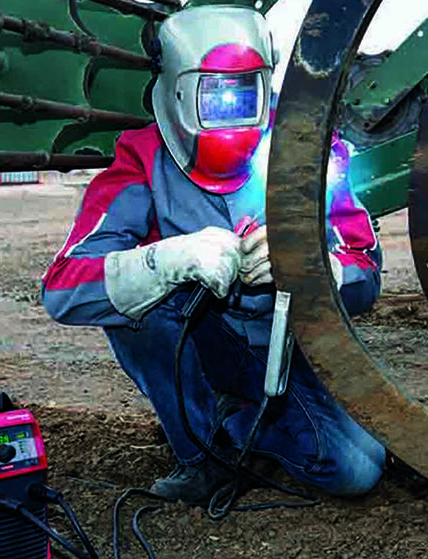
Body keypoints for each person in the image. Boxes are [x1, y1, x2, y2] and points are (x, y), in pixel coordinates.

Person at [42, 5, 386, 505]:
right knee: (135, 305)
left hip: (288, 348)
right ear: (179, 89)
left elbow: (366, 269)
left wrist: (314, 268)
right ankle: (203, 454)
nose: (231, 107)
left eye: (244, 92)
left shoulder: (309, 150)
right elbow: (63, 289)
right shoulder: (141, 159)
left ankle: (243, 425)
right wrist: (165, 261)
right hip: (200, 337)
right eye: (215, 94)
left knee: (357, 470)